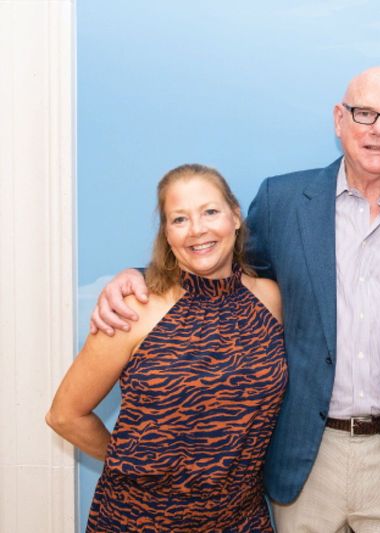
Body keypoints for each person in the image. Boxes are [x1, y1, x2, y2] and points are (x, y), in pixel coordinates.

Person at [88, 67, 380, 532]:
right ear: (339, 119)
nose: (377, 129)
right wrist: (140, 277)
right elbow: (223, 266)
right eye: (364, 113)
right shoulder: (283, 200)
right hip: (305, 457)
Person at [47, 164, 287, 531]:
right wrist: (136, 469)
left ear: (235, 217)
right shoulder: (133, 309)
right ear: (167, 233)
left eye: (210, 212)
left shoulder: (269, 300)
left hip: (241, 521)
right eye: (179, 219)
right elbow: (64, 415)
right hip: (141, 520)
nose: (197, 229)